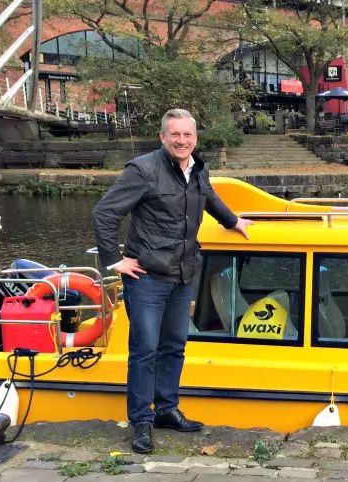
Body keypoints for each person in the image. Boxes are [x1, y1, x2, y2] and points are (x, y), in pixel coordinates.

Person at [93, 109, 251, 453]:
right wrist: (114, 260)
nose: (182, 141)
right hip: (147, 276)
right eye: (175, 135)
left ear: (195, 138)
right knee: (144, 350)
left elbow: (207, 196)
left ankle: (166, 410)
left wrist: (233, 221)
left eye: (188, 136)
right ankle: (142, 422)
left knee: (175, 346)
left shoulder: (198, 167)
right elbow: (105, 213)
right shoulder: (143, 170)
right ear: (163, 137)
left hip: (183, 273)